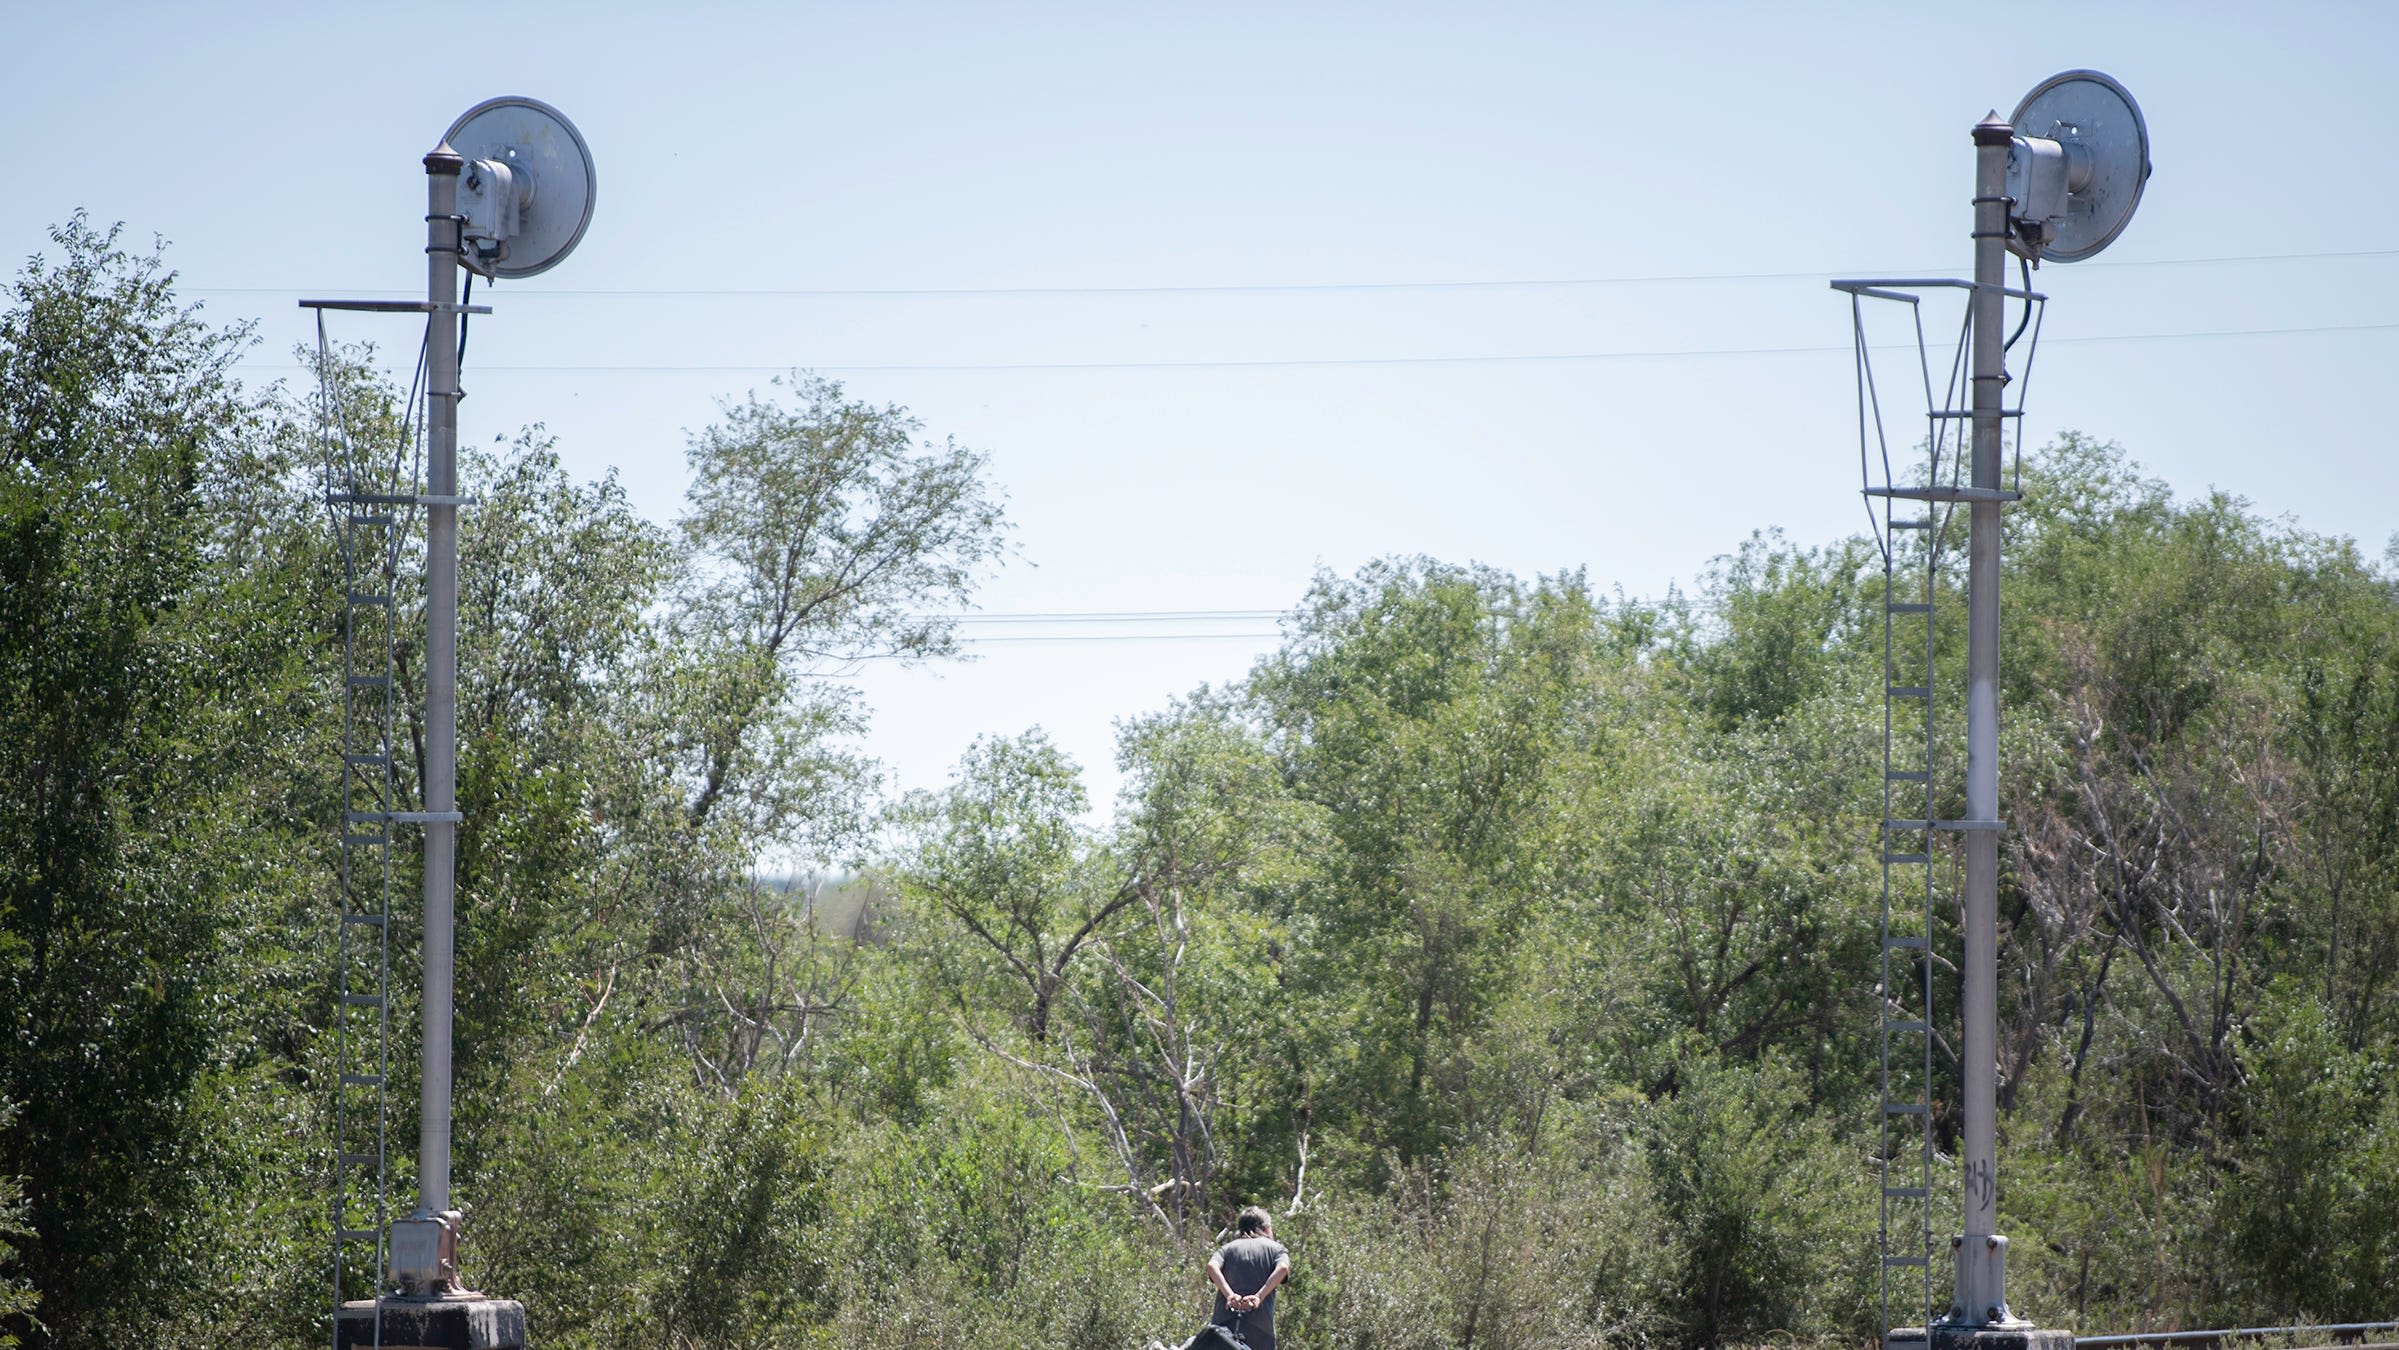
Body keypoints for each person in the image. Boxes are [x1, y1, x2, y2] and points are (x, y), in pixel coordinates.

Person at [1204, 1205, 1291, 1350]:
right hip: (1261, 1330)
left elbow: (1212, 1266)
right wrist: (1259, 1296)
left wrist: (1230, 1295)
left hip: (1224, 1327)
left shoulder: (1227, 1249)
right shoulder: (1276, 1249)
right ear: (1266, 1228)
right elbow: (1282, 1268)